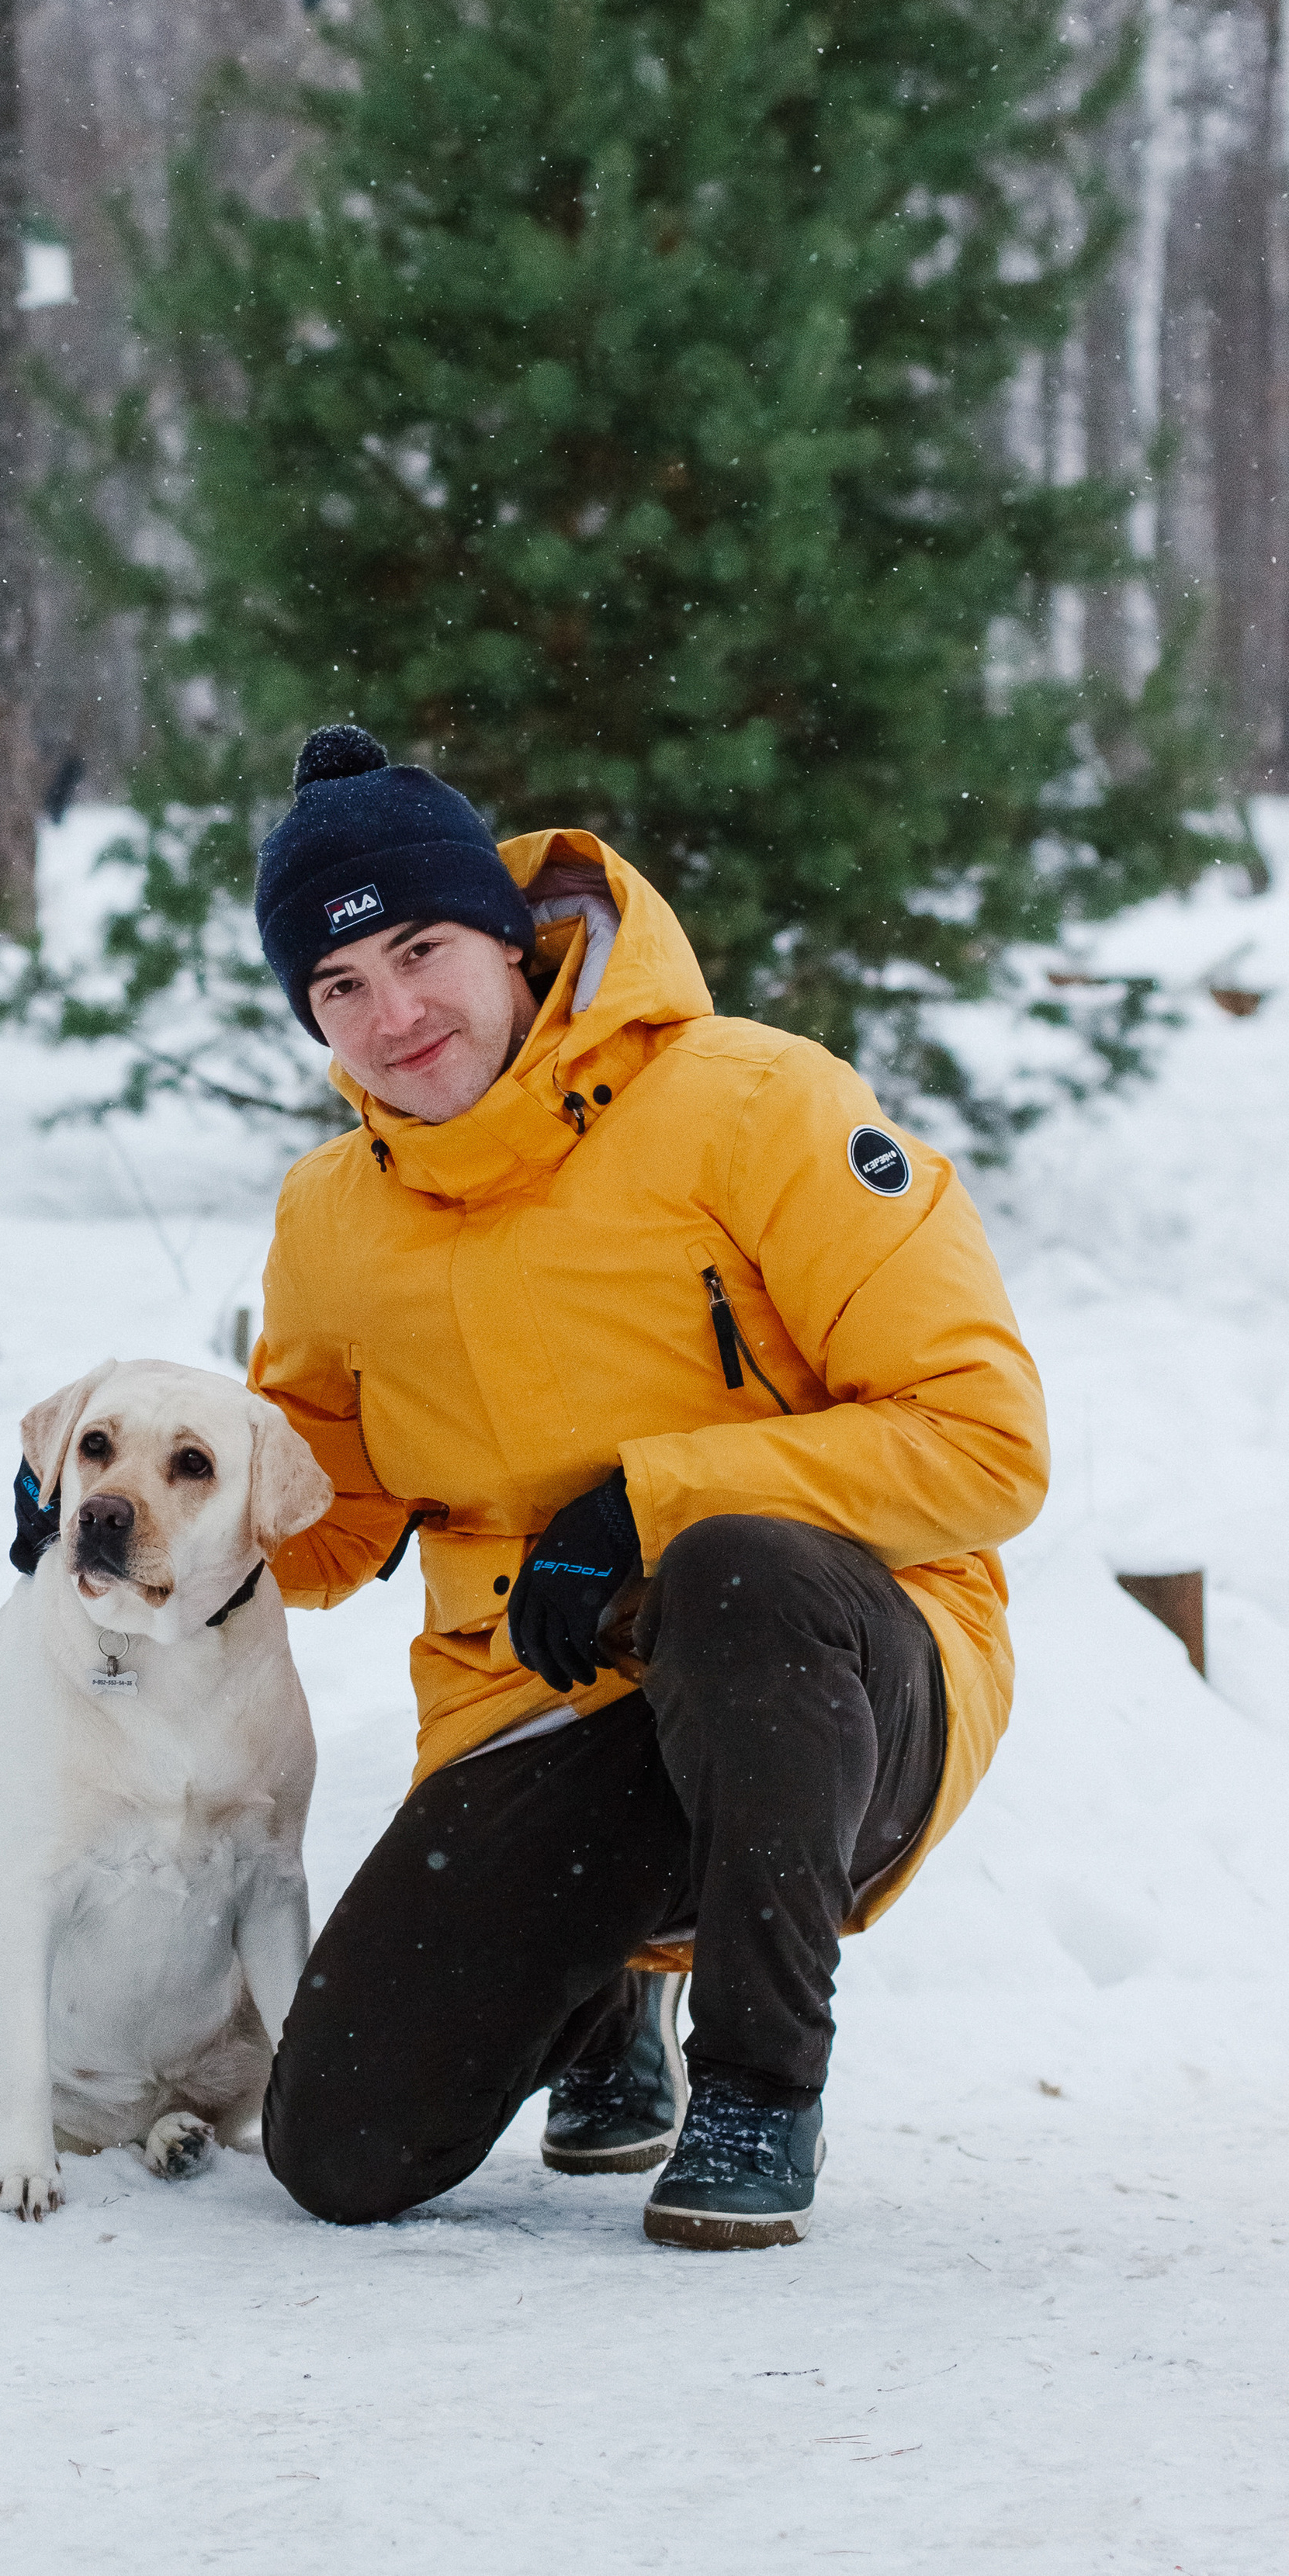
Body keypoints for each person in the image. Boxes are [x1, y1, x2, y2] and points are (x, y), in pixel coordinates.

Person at [243, 722, 1047, 2246]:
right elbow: (326, 1529)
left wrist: (649, 1498)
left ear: (509, 936)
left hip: (842, 1681)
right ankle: (598, 1988)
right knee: (339, 2152)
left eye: (421, 951)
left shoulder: (752, 1104)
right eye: (337, 988)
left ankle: (757, 2087)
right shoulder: (329, 1220)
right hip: (543, 1711)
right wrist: (153, 1501)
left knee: (728, 1569)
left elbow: (985, 1438)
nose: (393, 1014)